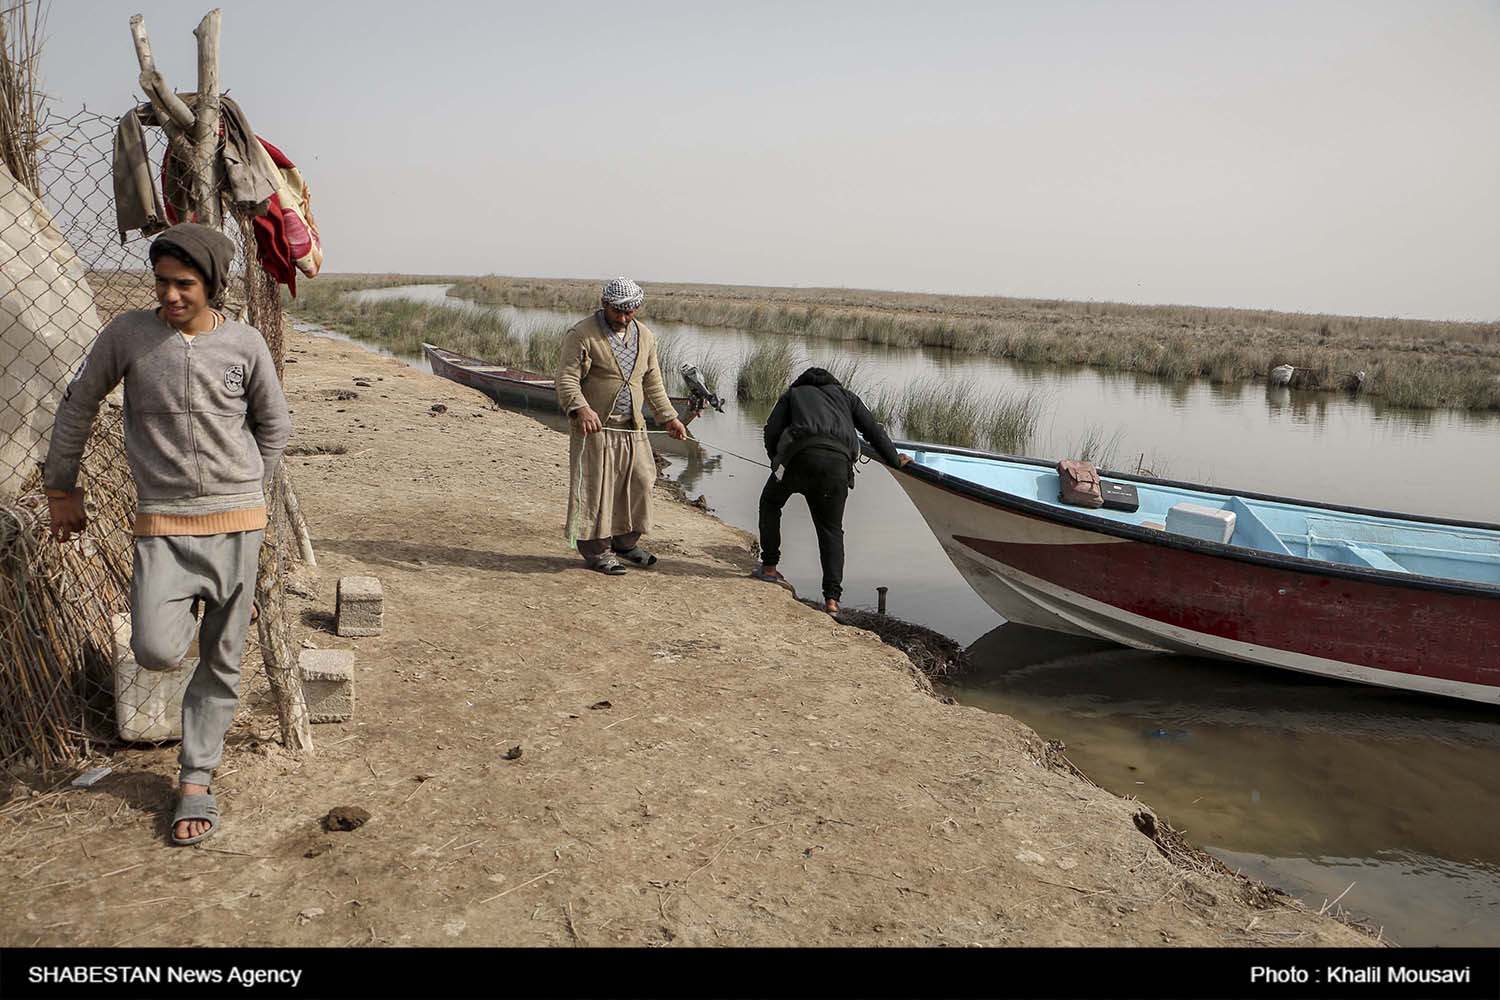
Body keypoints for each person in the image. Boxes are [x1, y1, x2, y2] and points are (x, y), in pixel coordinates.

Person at [43, 222, 291, 846]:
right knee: (156, 646)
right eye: (162, 282)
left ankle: (196, 778)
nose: (171, 296)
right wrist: (60, 485)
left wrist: (248, 491)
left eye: (185, 284)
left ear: (211, 284)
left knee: (223, 661)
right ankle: (210, 611)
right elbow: (79, 403)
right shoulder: (128, 335)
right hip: (162, 523)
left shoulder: (244, 343)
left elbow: (273, 422)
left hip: (238, 523)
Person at [555, 277, 687, 574]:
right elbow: (566, 378)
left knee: (641, 481)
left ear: (638, 307)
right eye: (618, 311)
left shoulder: (646, 336)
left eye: (630, 311)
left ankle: (625, 543)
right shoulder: (582, 334)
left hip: (633, 428)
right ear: (604, 304)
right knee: (596, 489)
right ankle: (597, 551)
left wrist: (669, 418)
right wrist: (580, 408)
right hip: (596, 430)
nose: (624, 317)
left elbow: (653, 382)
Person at [752, 367, 909, 614]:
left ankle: (769, 568)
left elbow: (771, 429)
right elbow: (874, 431)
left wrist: (776, 461)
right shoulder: (847, 397)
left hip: (796, 461)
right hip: (836, 468)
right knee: (831, 531)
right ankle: (832, 601)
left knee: (770, 503)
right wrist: (894, 460)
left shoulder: (793, 394)